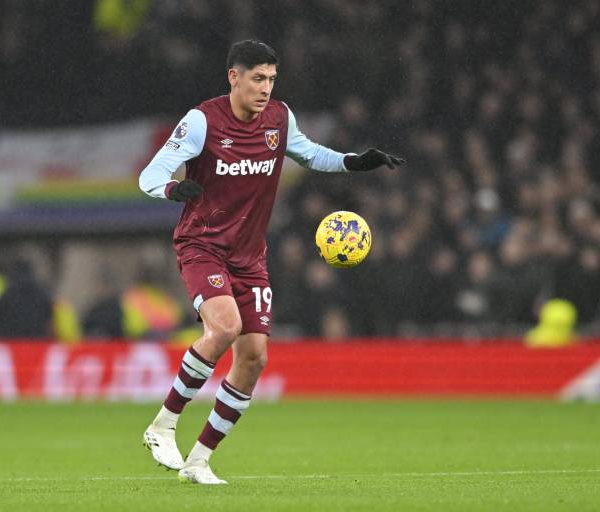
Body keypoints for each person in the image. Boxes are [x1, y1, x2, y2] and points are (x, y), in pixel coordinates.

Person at [138, 40, 403, 484]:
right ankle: (162, 425)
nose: (265, 88)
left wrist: (355, 163)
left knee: (254, 357)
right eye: (258, 78)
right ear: (233, 77)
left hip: (249, 256)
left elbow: (310, 153)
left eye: (272, 79)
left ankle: (200, 459)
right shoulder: (203, 121)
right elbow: (151, 175)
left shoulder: (279, 118)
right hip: (202, 245)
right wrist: (172, 190)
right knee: (224, 327)